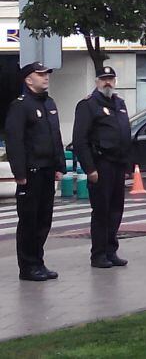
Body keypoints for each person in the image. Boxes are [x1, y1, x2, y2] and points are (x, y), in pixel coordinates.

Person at [5, 62, 65, 282]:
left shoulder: (49, 103)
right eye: (40, 74)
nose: (45, 77)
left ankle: (38, 262)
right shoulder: (20, 106)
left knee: (44, 219)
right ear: (28, 79)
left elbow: (55, 137)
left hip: (48, 170)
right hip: (31, 172)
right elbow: (14, 141)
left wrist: (60, 165)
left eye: (46, 74)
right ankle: (28, 266)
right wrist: (19, 172)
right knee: (29, 221)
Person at [73, 66, 132, 269]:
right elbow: (80, 140)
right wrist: (90, 169)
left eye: (111, 79)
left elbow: (124, 133)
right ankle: (98, 254)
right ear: (97, 81)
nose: (108, 82)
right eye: (104, 79)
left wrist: (127, 164)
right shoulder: (88, 105)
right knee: (101, 211)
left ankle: (111, 250)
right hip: (101, 164)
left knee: (116, 210)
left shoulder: (119, 103)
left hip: (118, 164)